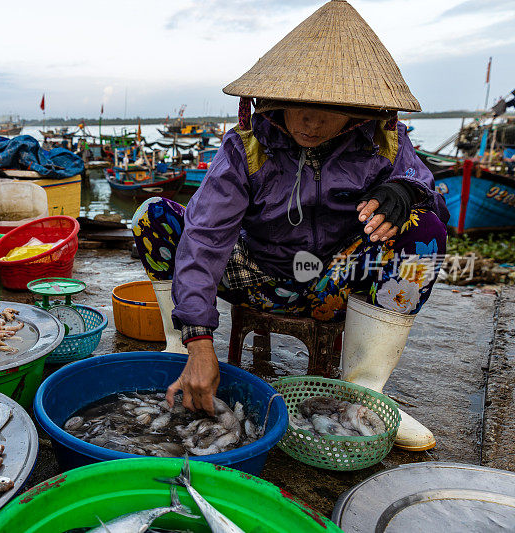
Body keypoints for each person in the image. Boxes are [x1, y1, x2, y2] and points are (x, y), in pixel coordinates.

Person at [132, 0, 449, 451]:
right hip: (255, 273)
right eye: (296, 106)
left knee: (425, 231)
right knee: (153, 217)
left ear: (360, 110)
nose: (309, 122)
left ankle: (364, 394)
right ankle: (181, 353)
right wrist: (200, 338)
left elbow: (430, 191)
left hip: (333, 284)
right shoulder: (247, 146)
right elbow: (205, 237)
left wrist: (408, 188)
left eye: (328, 109)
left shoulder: (384, 141)